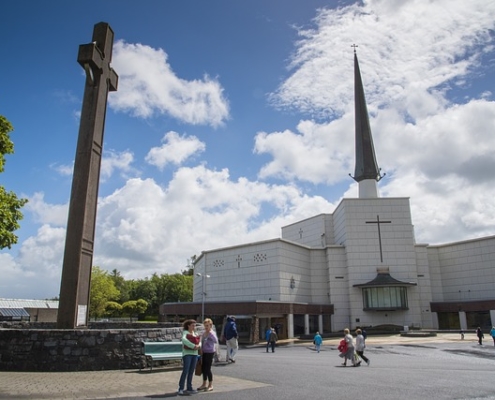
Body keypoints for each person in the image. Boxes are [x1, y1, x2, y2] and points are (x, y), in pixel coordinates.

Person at [177, 319, 200, 396]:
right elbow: (184, 340)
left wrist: (198, 346)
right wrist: (193, 346)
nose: (194, 327)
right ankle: (181, 388)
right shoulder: (185, 333)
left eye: (195, 325)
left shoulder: (195, 333)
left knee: (191, 371)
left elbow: (200, 341)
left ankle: (189, 387)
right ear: (188, 326)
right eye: (192, 325)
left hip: (195, 354)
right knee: (185, 370)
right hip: (187, 354)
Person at [197, 318, 217, 392]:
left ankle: (210, 384)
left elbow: (215, 340)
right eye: (205, 326)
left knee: (208, 368)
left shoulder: (212, 333)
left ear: (210, 325)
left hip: (210, 352)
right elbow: (201, 341)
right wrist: (201, 349)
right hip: (204, 352)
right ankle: (204, 383)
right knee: (203, 368)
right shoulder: (204, 333)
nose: (206, 327)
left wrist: (210, 335)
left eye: (207, 326)